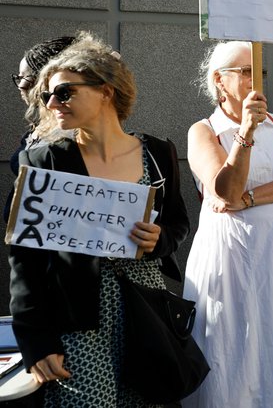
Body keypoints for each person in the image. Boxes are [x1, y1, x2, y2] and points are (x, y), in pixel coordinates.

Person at [8, 35, 190, 405]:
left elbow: (177, 222)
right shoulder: (45, 160)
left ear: (105, 91)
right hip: (77, 320)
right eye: (46, 96)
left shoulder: (157, 152)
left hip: (145, 310)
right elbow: (24, 259)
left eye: (64, 92)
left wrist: (160, 239)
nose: (52, 103)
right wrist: (36, 341)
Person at [183, 41, 273, 407]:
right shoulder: (203, 131)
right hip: (233, 254)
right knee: (233, 336)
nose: (256, 79)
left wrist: (252, 199)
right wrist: (246, 133)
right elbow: (226, 190)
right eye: (245, 71)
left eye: (260, 72)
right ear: (219, 81)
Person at [4, 35, 77, 222]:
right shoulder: (39, 126)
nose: (21, 85)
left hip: (52, 240)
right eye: (18, 78)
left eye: (27, 77)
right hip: (27, 239)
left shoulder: (74, 131)